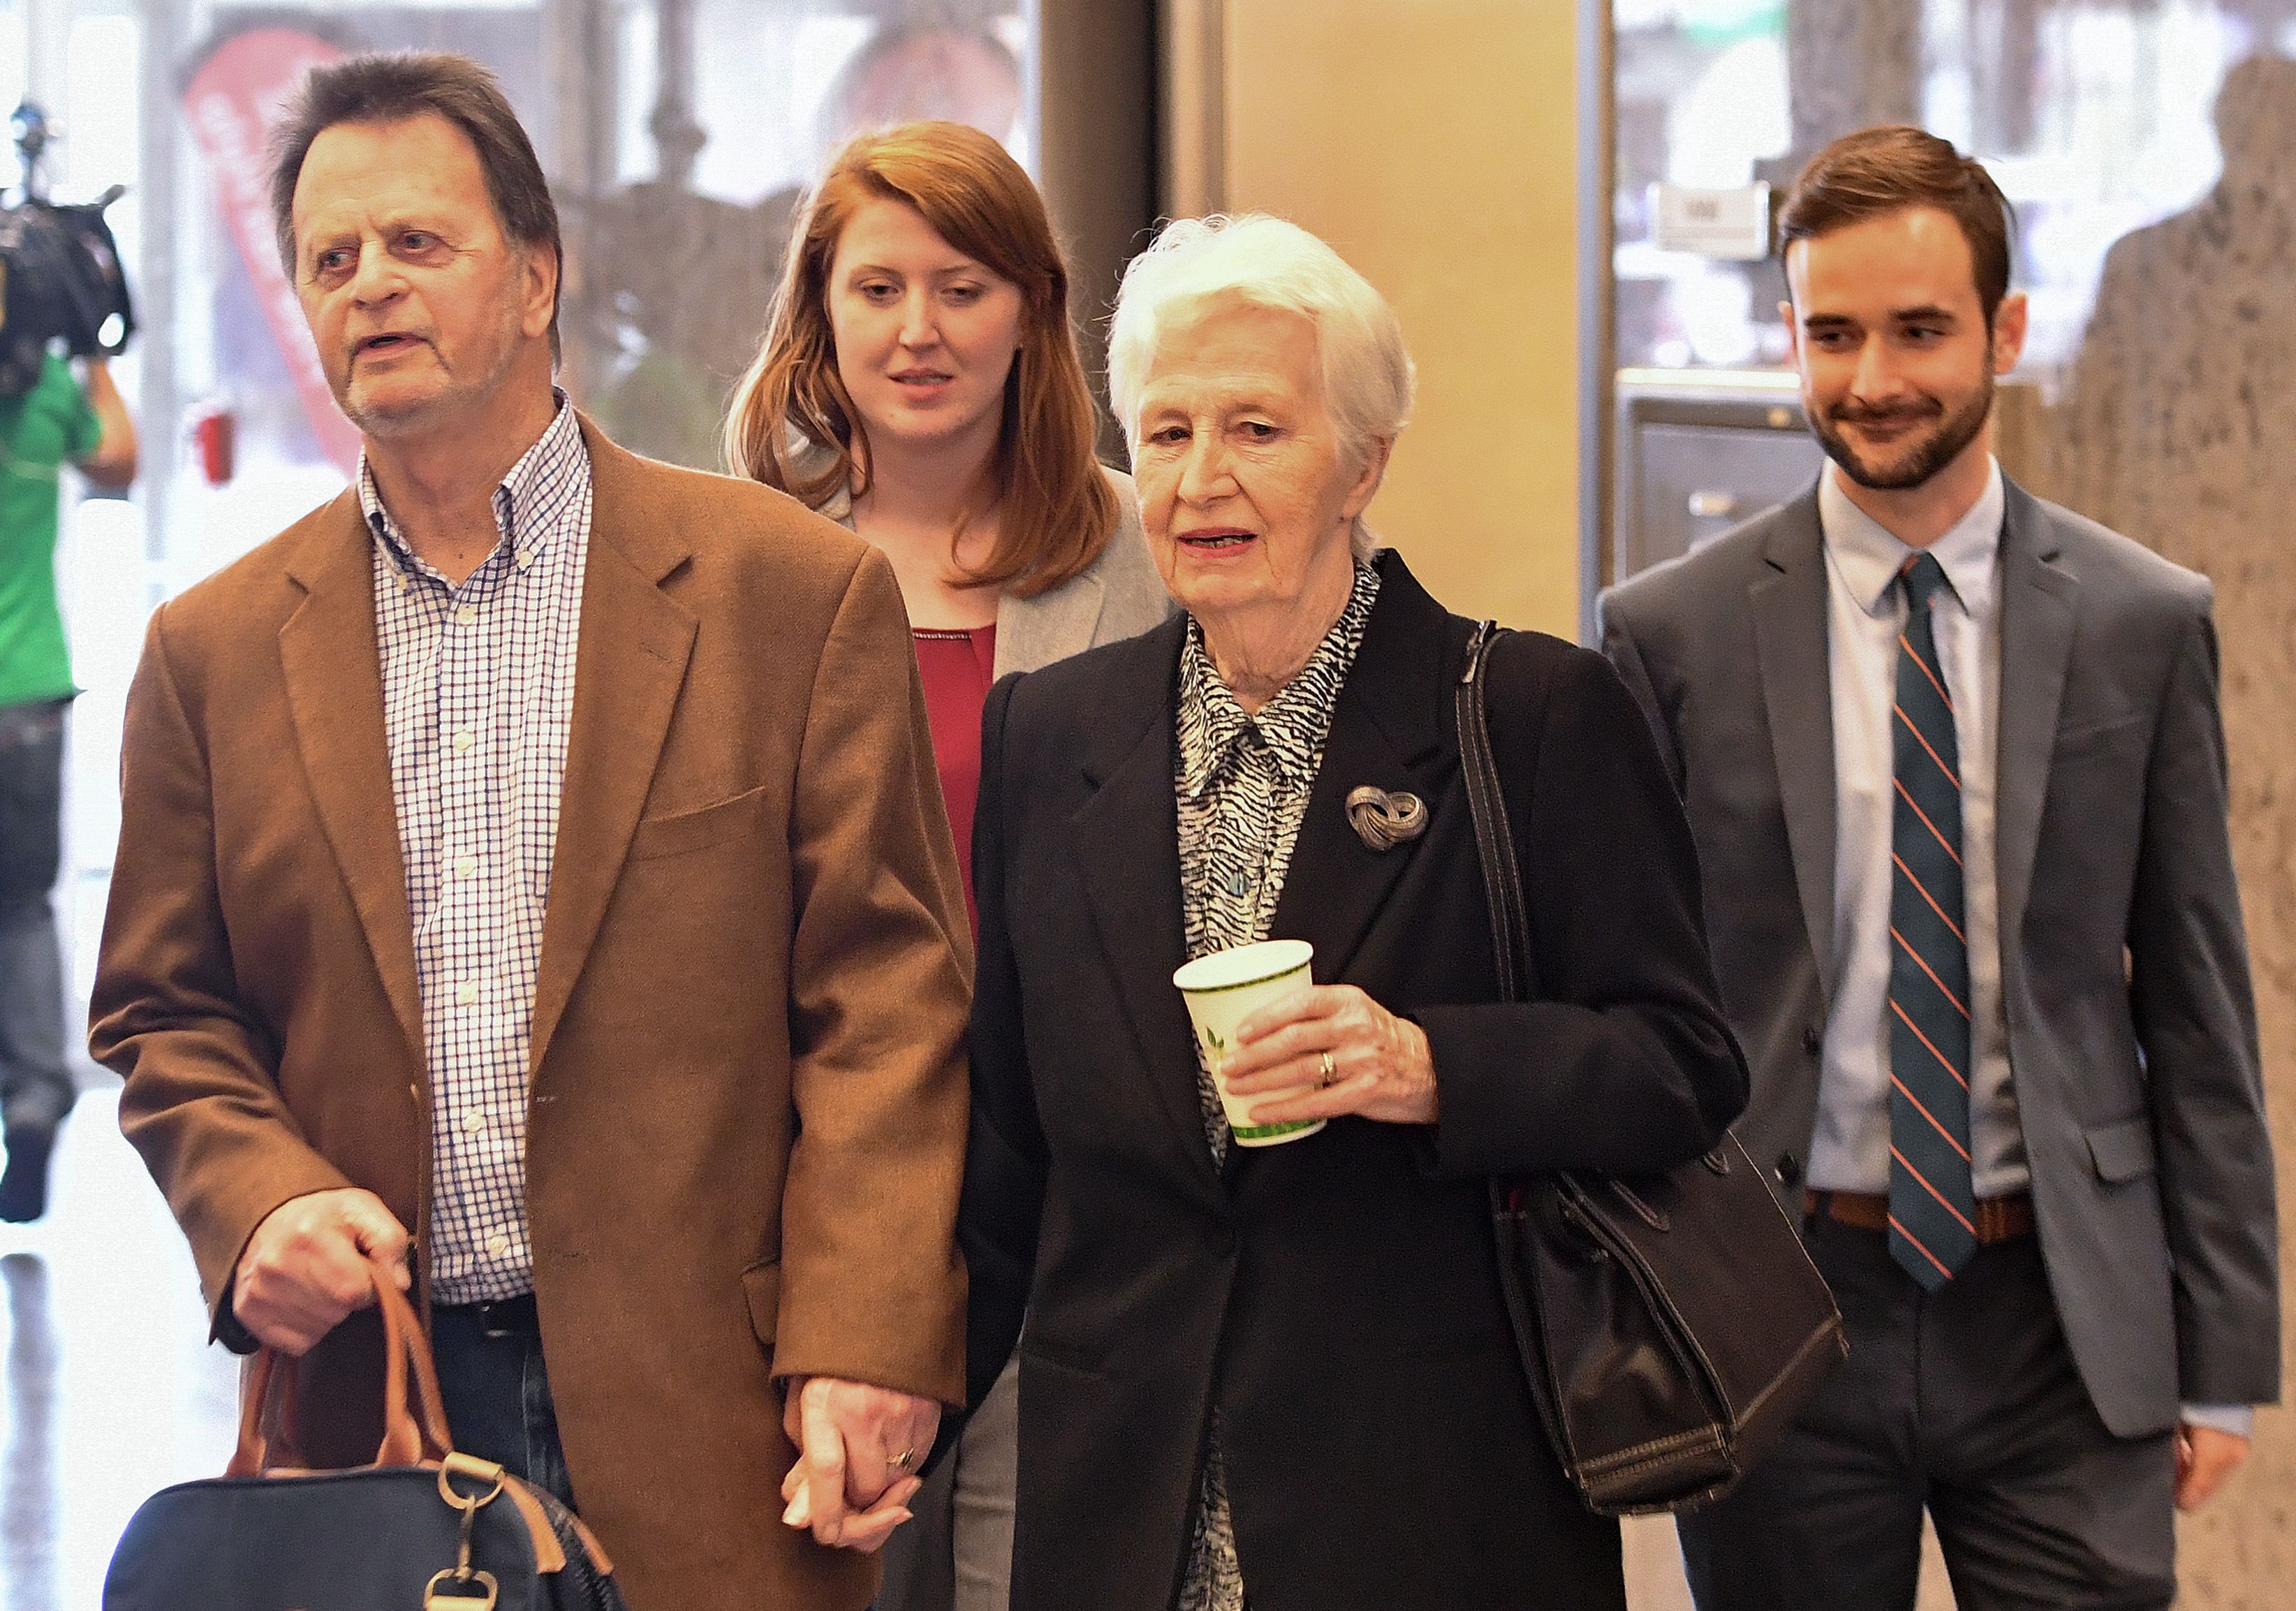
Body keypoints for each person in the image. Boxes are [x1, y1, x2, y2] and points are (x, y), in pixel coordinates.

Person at [89, 52, 971, 1611]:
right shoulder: (211, 649)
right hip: (378, 1423)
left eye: (419, 244)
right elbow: (165, 1008)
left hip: (726, 1413)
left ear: (540, 273)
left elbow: (884, 999)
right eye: (331, 257)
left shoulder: (786, 593)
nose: (370, 286)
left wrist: (870, 1331)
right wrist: (254, 1202)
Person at [957, 214, 1748, 1611]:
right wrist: (892, 1388)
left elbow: (1681, 1065)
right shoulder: (1050, 732)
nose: (1203, 480)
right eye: (1168, 430)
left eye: (1258, 429)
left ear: (1365, 462)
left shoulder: (1530, 716)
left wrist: (1431, 1063)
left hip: (1429, 1500)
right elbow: (1008, 1144)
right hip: (1120, 1511)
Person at [1600, 126, 2280, 1611]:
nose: (1874, 377)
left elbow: (2197, 1005)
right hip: (1783, 1297)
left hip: (2058, 1308)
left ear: (2006, 331)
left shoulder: (2139, 620)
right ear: (1789, 333)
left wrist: (2223, 1354)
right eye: (1831, 332)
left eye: (1920, 330)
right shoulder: (1671, 633)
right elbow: (1630, 1001)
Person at [725, 118, 1168, 1611]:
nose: (920, 330)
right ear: (818, 313)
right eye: (879, 287)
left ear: (1036, 312)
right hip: (811, 1178)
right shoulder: (739, 569)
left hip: (1079, 1183)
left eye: (965, 287)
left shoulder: (1149, 558)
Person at [0, 350, 133, 1222]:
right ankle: (38, 1098)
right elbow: (118, 459)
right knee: (22, 907)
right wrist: (90, 351)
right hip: (27, 692)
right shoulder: (43, 393)